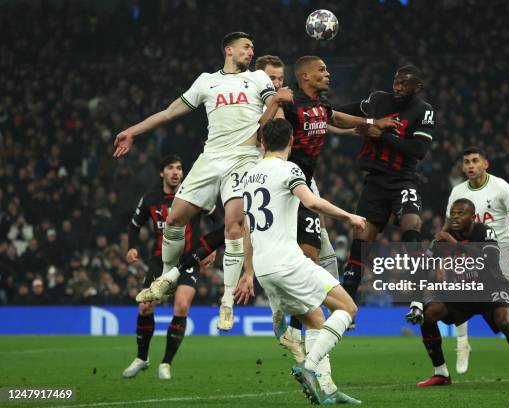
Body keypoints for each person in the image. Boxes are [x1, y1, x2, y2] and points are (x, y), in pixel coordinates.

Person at [114, 32, 292, 331]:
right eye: (246, 47)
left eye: (252, 47)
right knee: (174, 219)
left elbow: (276, 112)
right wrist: (133, 130)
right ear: (229, 49)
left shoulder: (259, 79)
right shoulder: (207, 81)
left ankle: (227, 301)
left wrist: (278, 133)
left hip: (244, 158)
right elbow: (170, 112)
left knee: (233, 225)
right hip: (210, 159)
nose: (251, 51)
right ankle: (167, 278)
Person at [262, 55, 400, 362]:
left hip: (304, 185)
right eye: (322, 70)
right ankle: (283, 308)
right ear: (305, 77)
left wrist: (370, 124)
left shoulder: (320, 106)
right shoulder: (288, 103)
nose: (328, 74)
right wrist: (273, 103)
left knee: (313, 256)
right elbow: (265, 137)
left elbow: (337, 118)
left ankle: (296, 329)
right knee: (304, 258)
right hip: (285, 188)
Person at [233, 118, 364, 404]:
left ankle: (328, 390)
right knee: (348, 308)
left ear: (263, 143)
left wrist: (248, 272)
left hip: (266, 270)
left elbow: (246, 228)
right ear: (291, 142)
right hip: (289, 262)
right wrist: (349, 216)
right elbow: (312, 203)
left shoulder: (249, 176)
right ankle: (309, 367)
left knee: (316, 320)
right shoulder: (289, 169)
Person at [424, 146, 509, 377]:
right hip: (466, 255)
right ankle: (462, 344)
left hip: (502, 252)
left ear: (485, 164)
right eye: (466, 161)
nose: (470, 165)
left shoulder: (500, 187)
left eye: (475, 161)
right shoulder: (457, 191)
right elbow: (447, 229)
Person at [414, 198, 509, 388]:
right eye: (453, 213)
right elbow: (423, 266)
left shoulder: (484, 231)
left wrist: (455, 243)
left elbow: (490, 258)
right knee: (428, 314)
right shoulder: (443, 236)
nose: (455, 217)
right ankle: (441, 373)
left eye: (461, 213)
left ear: (472, 216)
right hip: (461, 291)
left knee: (506, 321)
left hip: (491, 289)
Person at [336, 63, 435, 309]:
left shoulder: (424, 110)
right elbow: (341, 112)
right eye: (396, 82)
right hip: (375, 182)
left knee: (411, 223)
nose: (398, 87)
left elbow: (419, 150)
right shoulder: (378, 100)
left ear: (417, 87)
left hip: (403, 179)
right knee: (361, 239)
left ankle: (417, 294)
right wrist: (370, 122)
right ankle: (347, 308)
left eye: (405, 83)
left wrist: (383, 135)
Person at [121, 155, 217, 380]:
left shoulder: (194, 193)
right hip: (160, 260)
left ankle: (166, 363)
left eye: (179, 168)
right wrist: (132, 247)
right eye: (170, 168)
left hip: (190, 259)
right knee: (145, 306)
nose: (175, 172)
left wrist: (211, 247)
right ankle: (142, 358)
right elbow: (134, 225)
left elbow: (217, 218)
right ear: (161, 173)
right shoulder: (151, 198)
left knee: (181, 306)